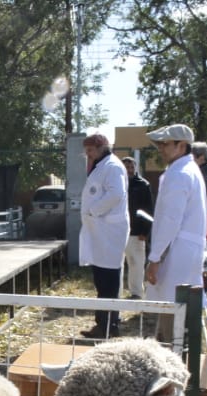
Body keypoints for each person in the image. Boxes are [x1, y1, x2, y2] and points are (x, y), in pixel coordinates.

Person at [144, 123, 207, 343]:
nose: (160, 148)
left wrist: (154, 258)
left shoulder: (179, 174)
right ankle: (172, 355)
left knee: (173, 310)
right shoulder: (187, 170)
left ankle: (172, 364)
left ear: (181, 145)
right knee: (175, 310)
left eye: (165, 144)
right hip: (185, 251)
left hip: (176, 252)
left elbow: (170, 221)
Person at [77, 133, 129, 338]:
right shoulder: (103, 165)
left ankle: (108, 326)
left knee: (108, 281)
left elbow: (116, 194)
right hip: (101, 232)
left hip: (108, 231)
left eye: (90, 150)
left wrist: (93, 211)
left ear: (102, 148)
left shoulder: (113, 166)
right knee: (103, 280)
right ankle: (106, 323)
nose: (88, 155)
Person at [121, 156, 153, 299]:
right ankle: (116, 292)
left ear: (135, 168)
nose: (129, 169)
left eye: (131, 166)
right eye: (126, 167)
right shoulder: (116, 183)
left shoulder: (143, 185)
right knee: (117, 264)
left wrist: (145, 231)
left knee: (136, 264)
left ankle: (136, 293)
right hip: (119, 231)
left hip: (136, 232)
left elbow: (148, 210)